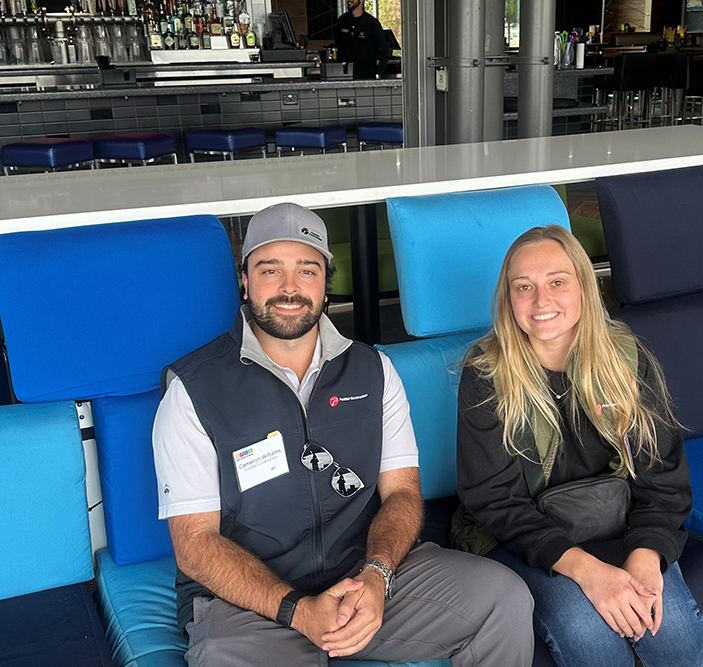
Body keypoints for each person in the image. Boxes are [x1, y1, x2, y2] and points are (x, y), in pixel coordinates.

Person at [152, 202, 535, 667]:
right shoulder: (193, 390)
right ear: (245, 280)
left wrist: (377, 576)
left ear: (326, 285)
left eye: (307, 270)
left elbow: (402, 493)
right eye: (270, 269)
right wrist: (297, 610)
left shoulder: (374, 371)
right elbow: (195, 543)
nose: (289, 288)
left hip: (364, 581)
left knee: (504, 598)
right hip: (250, 607)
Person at [451, 225, 703, 667]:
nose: (540, 300)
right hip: (522, 536)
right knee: (588, 637)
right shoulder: (486, 375)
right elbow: (495, 499)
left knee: (675, 636)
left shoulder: (626, 358)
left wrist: (646, 557)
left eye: (557, 282)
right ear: (508, 299)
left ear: (584, 288)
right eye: (523, 287)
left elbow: (662, 474)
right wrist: (589, 573)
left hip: (615, 521)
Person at [335, 0, 390, 80]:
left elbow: (384, 50)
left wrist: (378, 72)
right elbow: (337, 45)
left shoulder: (371, 23)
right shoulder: (342, 21)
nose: (349, 0)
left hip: (366, 75)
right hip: (343, 75)